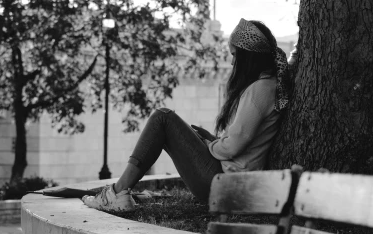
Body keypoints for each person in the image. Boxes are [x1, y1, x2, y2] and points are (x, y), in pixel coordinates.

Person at [82, 18, 290, 211]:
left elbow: (234, 146)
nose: (234, 63)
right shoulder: (267, 87)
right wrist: (211, 141)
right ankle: (119, 192)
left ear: (248, 55)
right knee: (173, 124)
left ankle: (117, 193)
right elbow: (242, 142)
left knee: (162, 118)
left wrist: (210, 146)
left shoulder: (260, 90)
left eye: (235, 55)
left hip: (225, 184)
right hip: (228, 180)